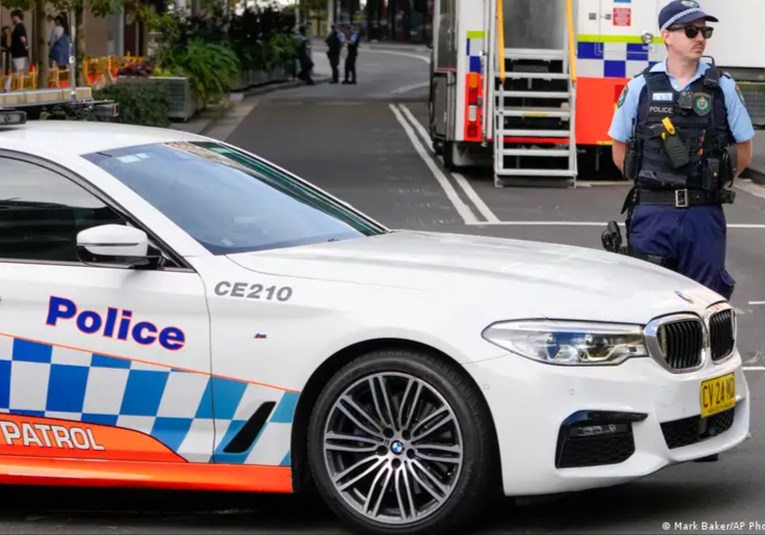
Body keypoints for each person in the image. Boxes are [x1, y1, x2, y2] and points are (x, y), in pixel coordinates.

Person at [607, 0, 754, 300]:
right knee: (646, 300)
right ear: (667, 36)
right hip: (652, 213)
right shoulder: (640, 87)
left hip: (703, 214)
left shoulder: (723, 87)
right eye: (690, 30)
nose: (700, 38)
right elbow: (619, 148)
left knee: (705, 301)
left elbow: (744, 149)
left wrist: (713, 181)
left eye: (704, 31)